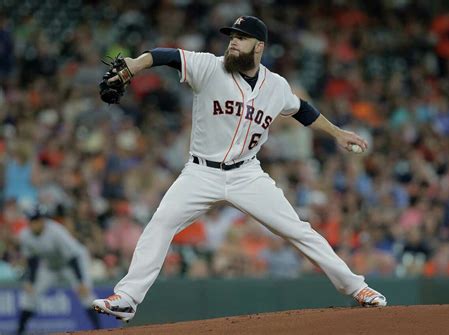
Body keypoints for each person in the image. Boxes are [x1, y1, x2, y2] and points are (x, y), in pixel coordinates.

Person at [93, 16, 387, 322]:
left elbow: (302, 110)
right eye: (231, 36)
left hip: (247, 174)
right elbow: (166, 55)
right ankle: (127, 298)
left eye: (241, 37)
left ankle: (357, 287)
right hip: (200, 172)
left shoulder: (275, 86)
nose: (233, 41)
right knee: (160, 224)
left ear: (259, 47)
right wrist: (136, 65)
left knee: (298, 230)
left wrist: (338, 133)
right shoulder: (209, 67)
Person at [16, 205, 101, 335]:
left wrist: (81, 281)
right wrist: (30, 281)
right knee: (29, 295)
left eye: (37, 219)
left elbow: (73, 257)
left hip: (73, 263)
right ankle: (20, 331)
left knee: (86, 294)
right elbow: (32, 261)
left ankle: (99, 330)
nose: (35, 222)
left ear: (43, 220)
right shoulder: (25, 235)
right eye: (32, 220)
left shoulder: (56, 231)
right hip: (50, 266)